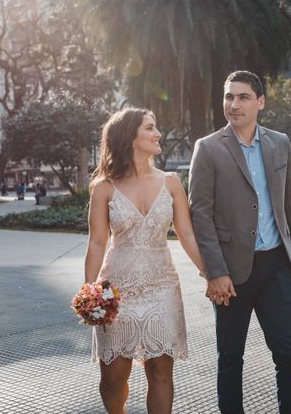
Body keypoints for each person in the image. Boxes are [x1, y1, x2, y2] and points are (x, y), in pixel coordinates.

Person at [189, 70, 291, 414]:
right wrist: (215, 272)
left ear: (260, 102)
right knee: (230, 356)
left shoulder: (279, 143)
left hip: (275, 265)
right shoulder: (208, 148)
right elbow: (201, 215)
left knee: (287, 349)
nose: (234, 104)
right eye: (229, 96)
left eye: (243, 97)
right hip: (230, 272)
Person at [83, 108, 206, 414]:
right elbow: (97, 242)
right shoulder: (104, 188)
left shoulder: (171, 182)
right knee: (113, 378)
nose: (158, 133)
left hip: (162, 287)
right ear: (130, 138)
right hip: (116, 292)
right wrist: (89, 292)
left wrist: (211, 273)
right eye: (150, 128)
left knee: (161, 373)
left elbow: (187, 236)